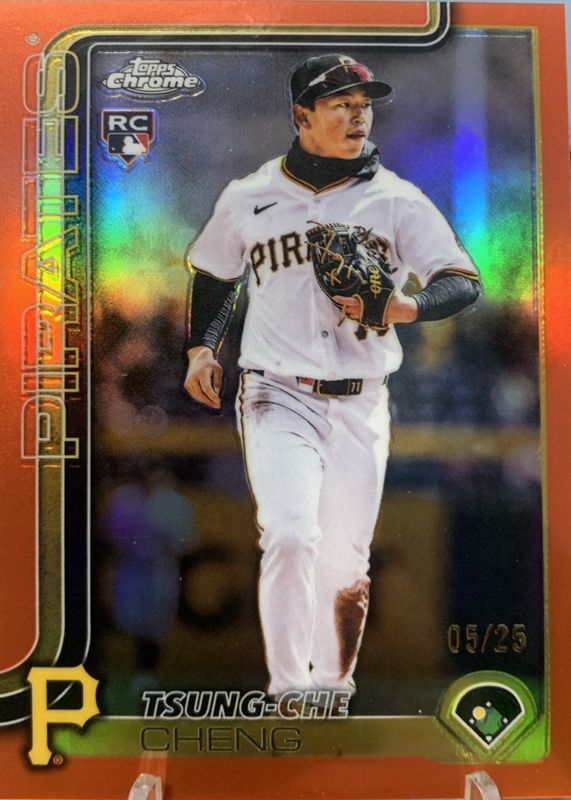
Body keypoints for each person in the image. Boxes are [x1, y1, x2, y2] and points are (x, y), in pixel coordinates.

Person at [183, 54, 480, 701]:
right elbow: (214, 273)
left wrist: (408, 307)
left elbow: (462, 281)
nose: (357, 115)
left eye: (363, 104)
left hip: (361, 401)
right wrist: (201, 349)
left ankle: (331, 692)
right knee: (290, 536)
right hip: (275, 393)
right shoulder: (250, 195)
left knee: (346, 563)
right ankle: (290, 694)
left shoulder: (396, 199)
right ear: (302, 115)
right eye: (340, 103)